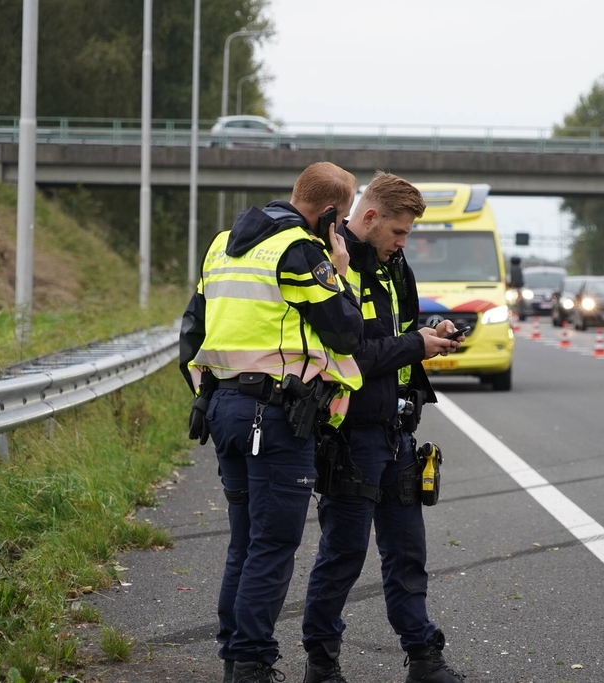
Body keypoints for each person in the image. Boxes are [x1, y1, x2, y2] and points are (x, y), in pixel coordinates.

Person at [179, 162, 365, 683]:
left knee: (245, 541)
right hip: (275, 417)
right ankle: (252, 663)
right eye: (341, 220)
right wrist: (341, 270)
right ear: (329, 213)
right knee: (273, 544)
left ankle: (234, 657)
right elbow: (347, 332)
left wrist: (211, 395)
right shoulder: (300, 251)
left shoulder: (222, 245)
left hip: (224, 408)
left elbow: (192, 332)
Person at [301, 172, 466, 683]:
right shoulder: (332, 264)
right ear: (370, 217)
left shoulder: (395, 266)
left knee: (408, 552)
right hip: (350, 436)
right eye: (399, 232)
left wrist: (430, 334)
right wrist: (416, 345)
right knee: (343, 554)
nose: (403, 242)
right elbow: (349, 354)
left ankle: (424, 657)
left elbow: (399, 334)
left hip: (397, 431)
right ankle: (321, 663)